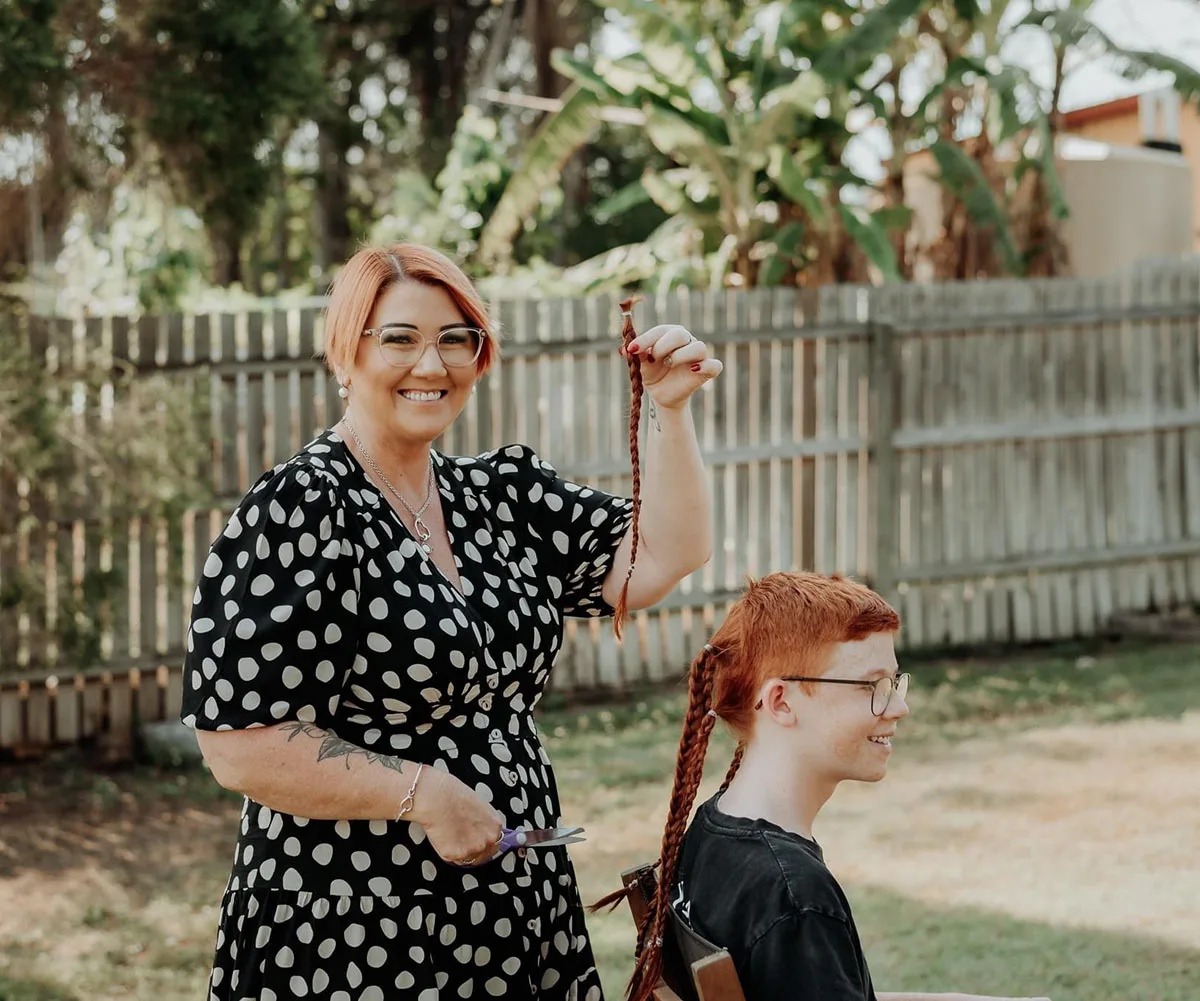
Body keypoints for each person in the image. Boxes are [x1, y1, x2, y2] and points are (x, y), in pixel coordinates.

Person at [181, 242, 722, 1000]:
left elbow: (665, 553)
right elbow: (238, 742)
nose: (431, 365)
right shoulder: (300, 509)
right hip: (351, 924)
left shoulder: (499, 496)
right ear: (347, 353)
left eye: (455, 339)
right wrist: (423, 794)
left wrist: (671, 408)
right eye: (399, 338)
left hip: (512, 908)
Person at [612, 572, 1050, 1001]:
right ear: (781, 701)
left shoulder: (713, 829)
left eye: (894, 681)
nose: (899, 706)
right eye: (871, 686)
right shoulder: (794, 896)